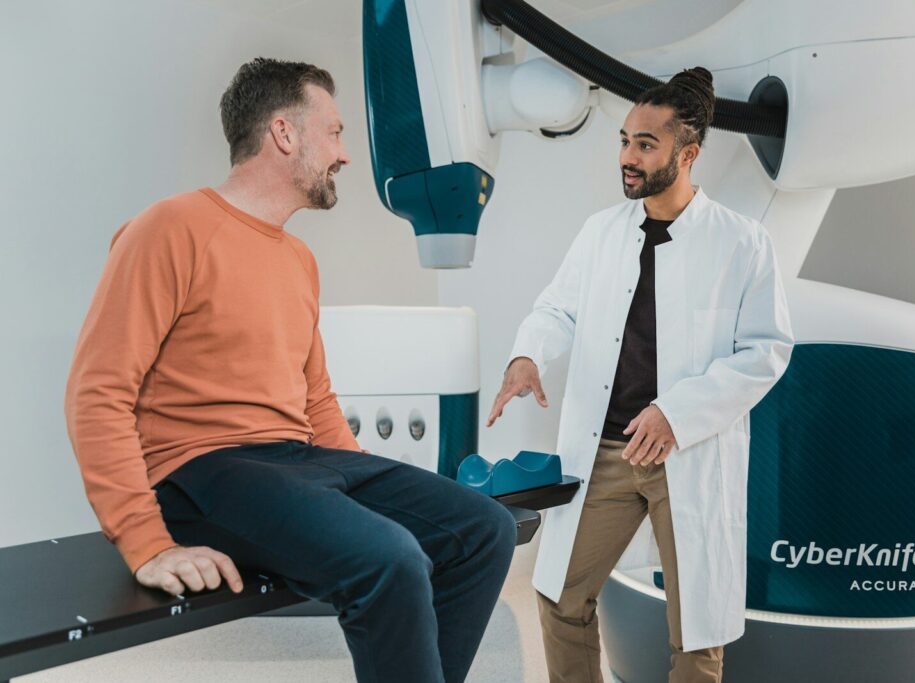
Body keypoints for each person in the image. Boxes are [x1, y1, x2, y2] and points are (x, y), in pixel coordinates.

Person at [65, 57, 516, 683]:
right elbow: (98, 392)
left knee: (485, 529)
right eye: (333, 132)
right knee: (390, 560)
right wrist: (147, 543)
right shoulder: (168, 228)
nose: (346, 155)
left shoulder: (298, 258)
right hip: (202, 470)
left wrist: (363, 487)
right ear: (284, 133)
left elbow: (317, 398)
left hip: (300, 459)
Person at [488, 67, 794, 682]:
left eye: (645, 145)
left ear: (689, 153)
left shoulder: (743, 244)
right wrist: (528, 355)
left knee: (697, 634)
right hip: (607, 449)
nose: (628, 156)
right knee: (559, 595)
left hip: (688, 450)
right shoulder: (601, 233)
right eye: (625, 140)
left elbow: (766, 351)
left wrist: (677, 413)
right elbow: (557, 307)